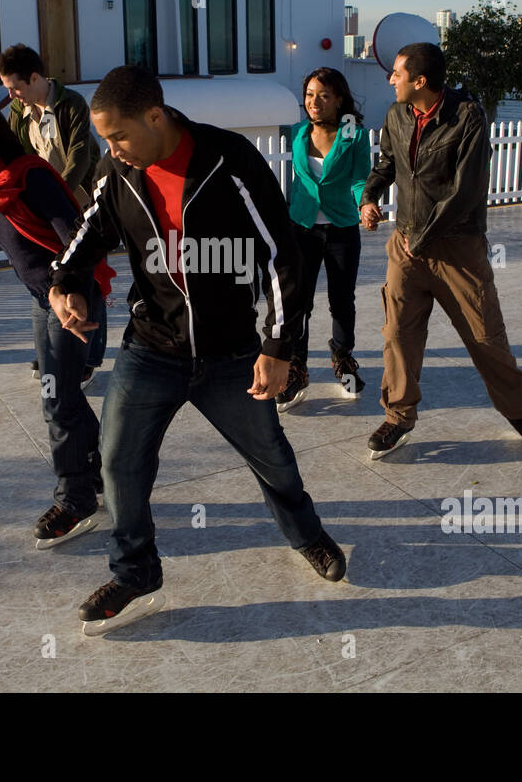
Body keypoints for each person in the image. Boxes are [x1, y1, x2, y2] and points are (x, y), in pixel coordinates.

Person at [47, 66, 346, 630]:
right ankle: (136, 572)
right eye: (105, 139)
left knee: (272, 457)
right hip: (151, 346)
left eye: (119, 135)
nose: (111, 149)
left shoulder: (227, 160)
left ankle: (307, 536)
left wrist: (279, 344)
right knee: (118, 462)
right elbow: (92, 231)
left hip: (231, 353)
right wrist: (64, 281)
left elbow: (284, 253)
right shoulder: (119, 169)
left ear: (155, 117)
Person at [358, 43, 522, 459]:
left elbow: (465, 193)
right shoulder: (396, 116)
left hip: (457, 248)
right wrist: (369, 197)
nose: (391, 79)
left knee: (485, 336)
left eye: (397, 73)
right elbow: (387, 163)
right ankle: (397, 417)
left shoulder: (467, 117)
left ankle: (519, 411)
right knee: (397, 334)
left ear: (420, 81)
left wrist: (422, 239)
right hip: (405, 245)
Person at [0, 95, 112, 545]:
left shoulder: (31, 177)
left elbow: (75, 236)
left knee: (56, 400)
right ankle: (103, 473)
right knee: (64, 393)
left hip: (72, 293)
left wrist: (67, 291)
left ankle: (75, 499)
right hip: (43, 299)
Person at [0, 44, 106, 383]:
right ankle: (50, 348)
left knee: (88, 272)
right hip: (46, 204)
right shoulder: (18, 110)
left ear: (34, 78)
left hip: (80, 200)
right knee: (52, 274)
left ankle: (90, 355)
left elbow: (79, 157)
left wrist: (59, 196)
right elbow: (19, 156)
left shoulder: (71, 103)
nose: (12, 95)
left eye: (15, 87)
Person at [276, 67, 372, 412]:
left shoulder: (354, 135)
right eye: (310, 94)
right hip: (301, 228)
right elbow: (300, 183)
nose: (314, 102)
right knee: (297, 302)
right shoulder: (299, 133)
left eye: (324, 95)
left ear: (339, 99)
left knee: (342, 301)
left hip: (342, 229)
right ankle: (297, 369)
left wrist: (366, 203)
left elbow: (361, 178)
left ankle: (342, 360)